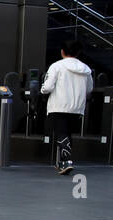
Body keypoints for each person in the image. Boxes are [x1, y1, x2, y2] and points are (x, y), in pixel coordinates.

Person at [41, 39, 95, 175]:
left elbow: (47, 87)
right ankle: (62, 163)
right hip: (77, 107)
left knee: (61, 132)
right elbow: (89, 89)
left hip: (59, 105)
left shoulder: (56, 66)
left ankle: (66, 161)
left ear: (62, 51)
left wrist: (42, 90)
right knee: (68, 133)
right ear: (78, 52)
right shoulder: (86, 69)